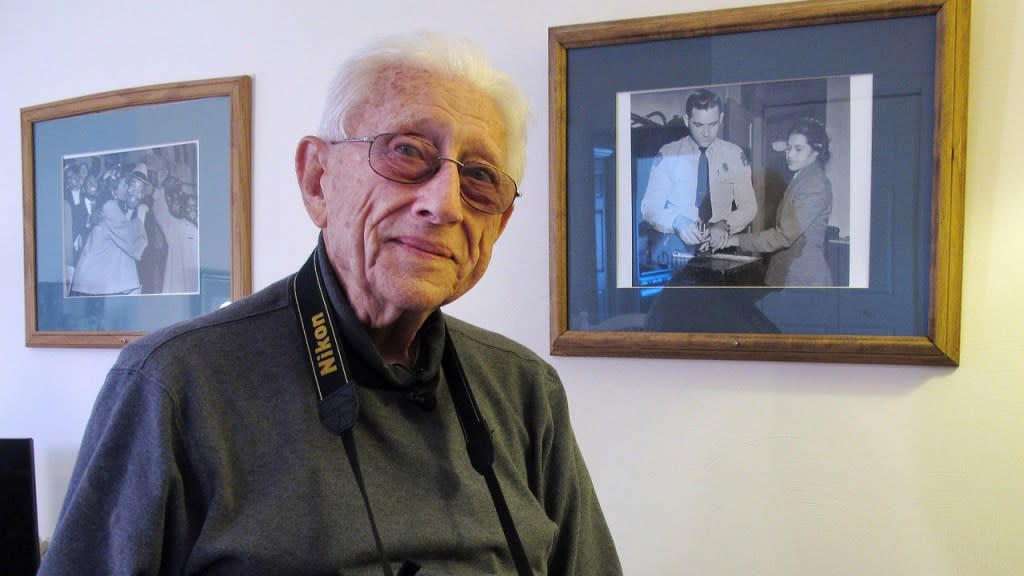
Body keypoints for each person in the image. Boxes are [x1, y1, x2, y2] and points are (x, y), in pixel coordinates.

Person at [39, 32, 621, 576]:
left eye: (480, 178)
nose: (444, 204)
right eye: (408, 150)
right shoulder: (173, 385)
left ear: (499, 224)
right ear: (318, 179)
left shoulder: (524, 392)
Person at [640, 88, 757, 254]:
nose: (707, 133)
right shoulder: (668, 154)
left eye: (713, 124)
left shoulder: (735, 155)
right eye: (699, 125)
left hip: (722, 248)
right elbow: (649, 207)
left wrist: (726, 223)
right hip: (678, 250)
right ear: (687, 120)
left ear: (721, 119)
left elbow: (749, 206)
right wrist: (677, 221)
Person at [725, 117, 834, 286]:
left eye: (798, 149)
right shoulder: (802, 178)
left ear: (816, 151)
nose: (790, 155)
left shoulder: (815, 184)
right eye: (788, 149)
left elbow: (784, 236)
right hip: (789, 274)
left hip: (802, 278)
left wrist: (735, 240)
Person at [68, 165, 149, 296]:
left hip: (98, 280)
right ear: (114, 190)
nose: (132, 191)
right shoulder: (110, 207)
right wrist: (141, 216)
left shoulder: (115, 208)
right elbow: (130, 238)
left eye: (139, 189)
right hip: (92, 281)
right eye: (127, 185)